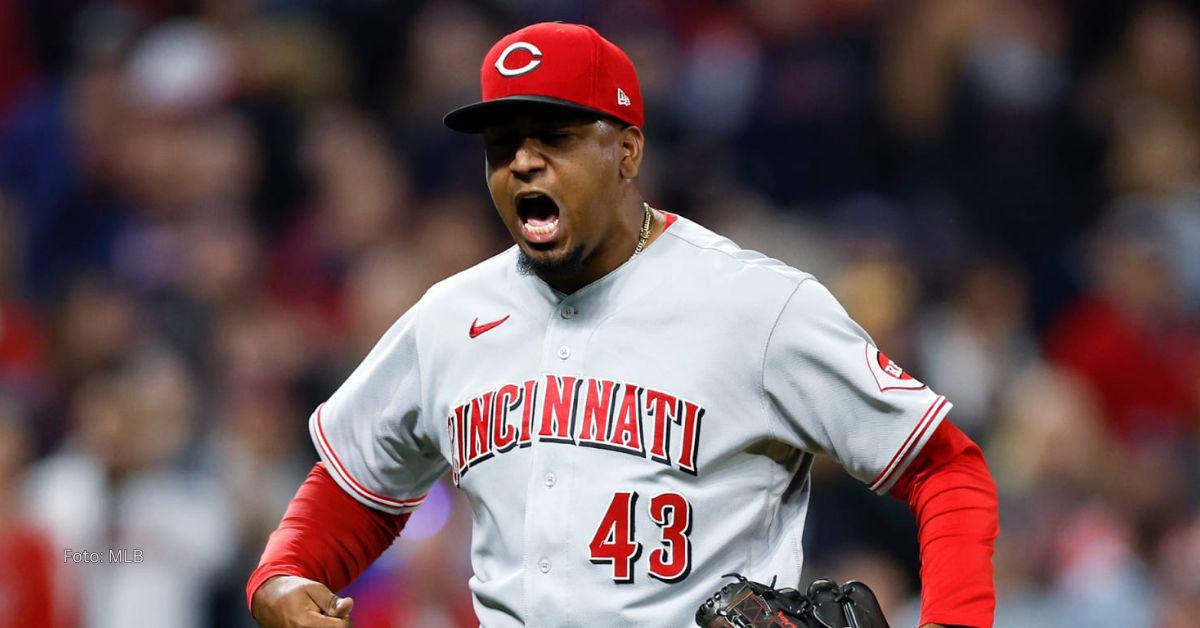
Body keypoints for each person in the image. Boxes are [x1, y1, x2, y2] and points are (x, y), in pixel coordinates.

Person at [247, 22, 998, 628]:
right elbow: (356, 486)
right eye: (503, 146)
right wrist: (281, 577)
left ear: (628, 150)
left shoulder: (755, 306)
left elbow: (946, 467)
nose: (525, 164)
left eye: (557, 137)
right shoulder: (450, 317)